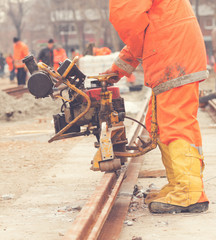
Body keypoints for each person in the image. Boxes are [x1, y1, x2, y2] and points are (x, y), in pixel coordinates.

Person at [105, 0, 209, 213]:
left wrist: (116, 70)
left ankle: (189, 191)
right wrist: (117, 70)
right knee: (161, 125)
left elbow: (129, 22)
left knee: (176, 125)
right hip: (172, 52)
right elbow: (139, 34)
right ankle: (179, 184)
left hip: (174, 55)